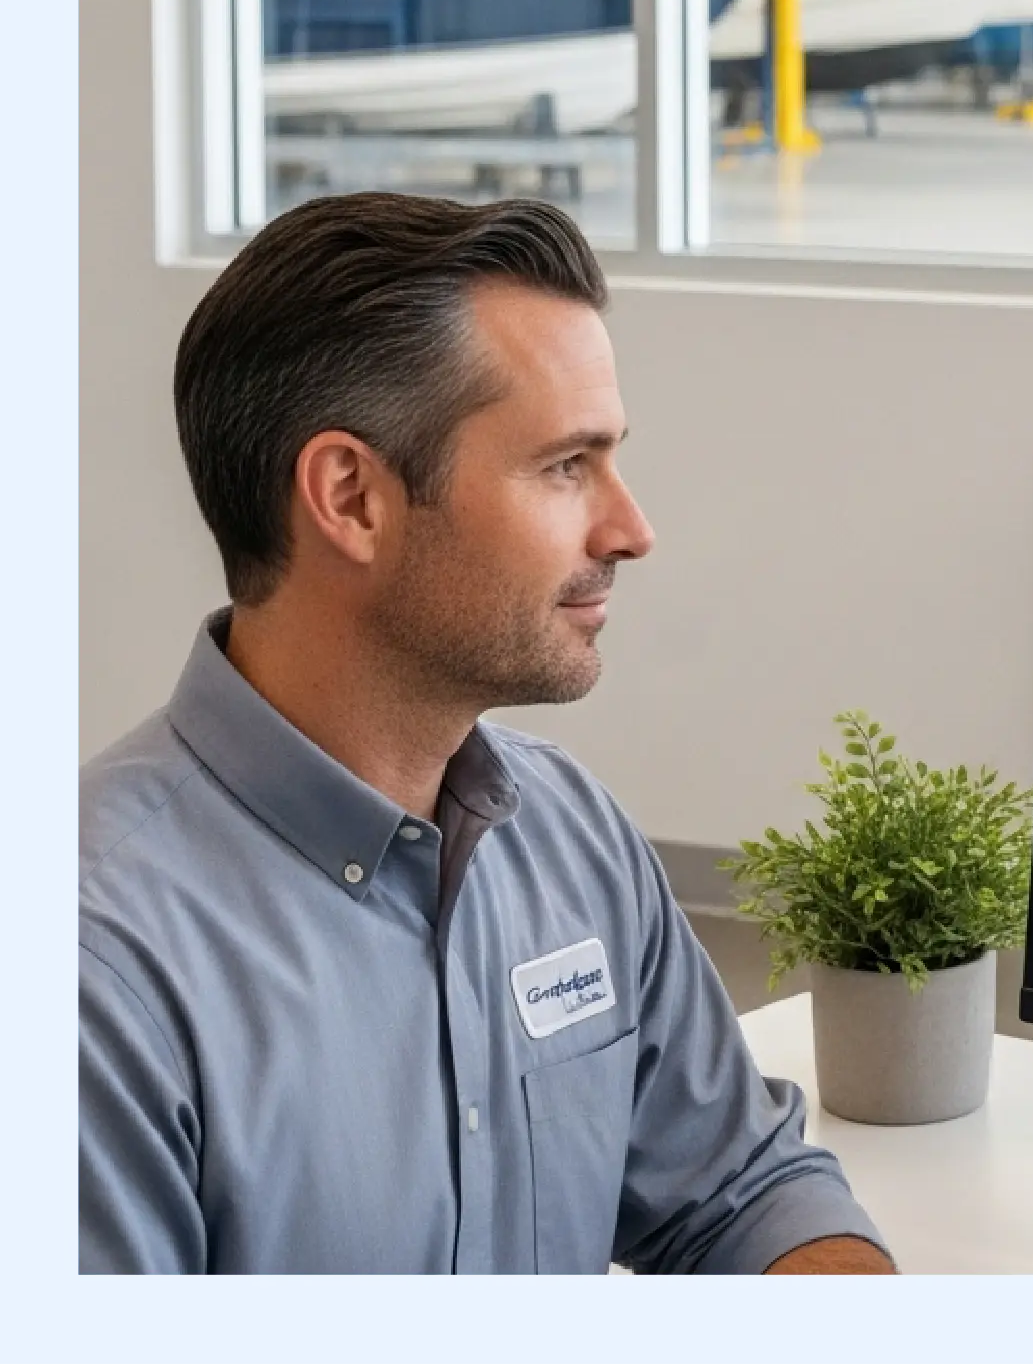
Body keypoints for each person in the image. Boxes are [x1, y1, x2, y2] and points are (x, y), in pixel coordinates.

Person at [79, 195, 896, 1276]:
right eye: (566, 465)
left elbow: (742, 1198)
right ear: (350, 497)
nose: (630, 529)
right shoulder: (92, 974)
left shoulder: (571, 839)